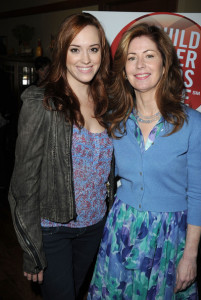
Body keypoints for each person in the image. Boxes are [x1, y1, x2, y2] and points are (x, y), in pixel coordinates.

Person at [88, 23, 201, 299]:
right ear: (125, 69)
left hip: (170, 238)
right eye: (132, 57)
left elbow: (200, 194)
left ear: (165, 65)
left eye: (149, 55)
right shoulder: (115, 120)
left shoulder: (193, 124)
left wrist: (190, 256)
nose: (140, 64)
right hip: (120, 233)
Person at [8, 12, 114, 300]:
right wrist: (32, 249)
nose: (86, 59)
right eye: (75, 49)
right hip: (54, 230)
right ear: (62, 52)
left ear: (102, 53)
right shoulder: (41, 103)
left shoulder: (108, 101)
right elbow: (23, 185)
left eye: (93, 49)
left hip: (94, 226)